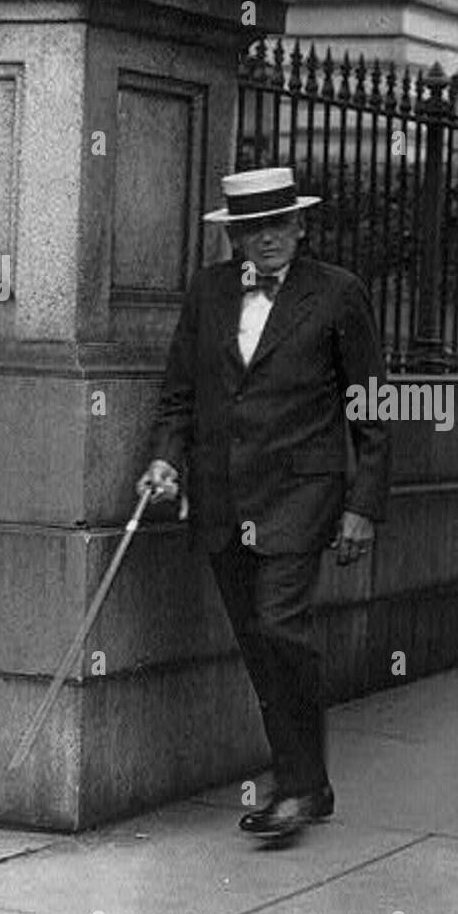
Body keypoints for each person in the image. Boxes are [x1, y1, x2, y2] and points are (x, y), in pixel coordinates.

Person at [137, 167, 391, 842]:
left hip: (301, 496)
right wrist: (165, 457)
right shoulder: (210, 293)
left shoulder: (338, 295)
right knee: (258, 644)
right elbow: (180, 392)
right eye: (255, 228)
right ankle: (306, 782)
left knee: (281, 625)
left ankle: (297, 789)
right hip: (223, 496)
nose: (269, 238)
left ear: (301, 227)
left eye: (280, 225)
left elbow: (371, 405)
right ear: (236, 237)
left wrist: (363, 503)